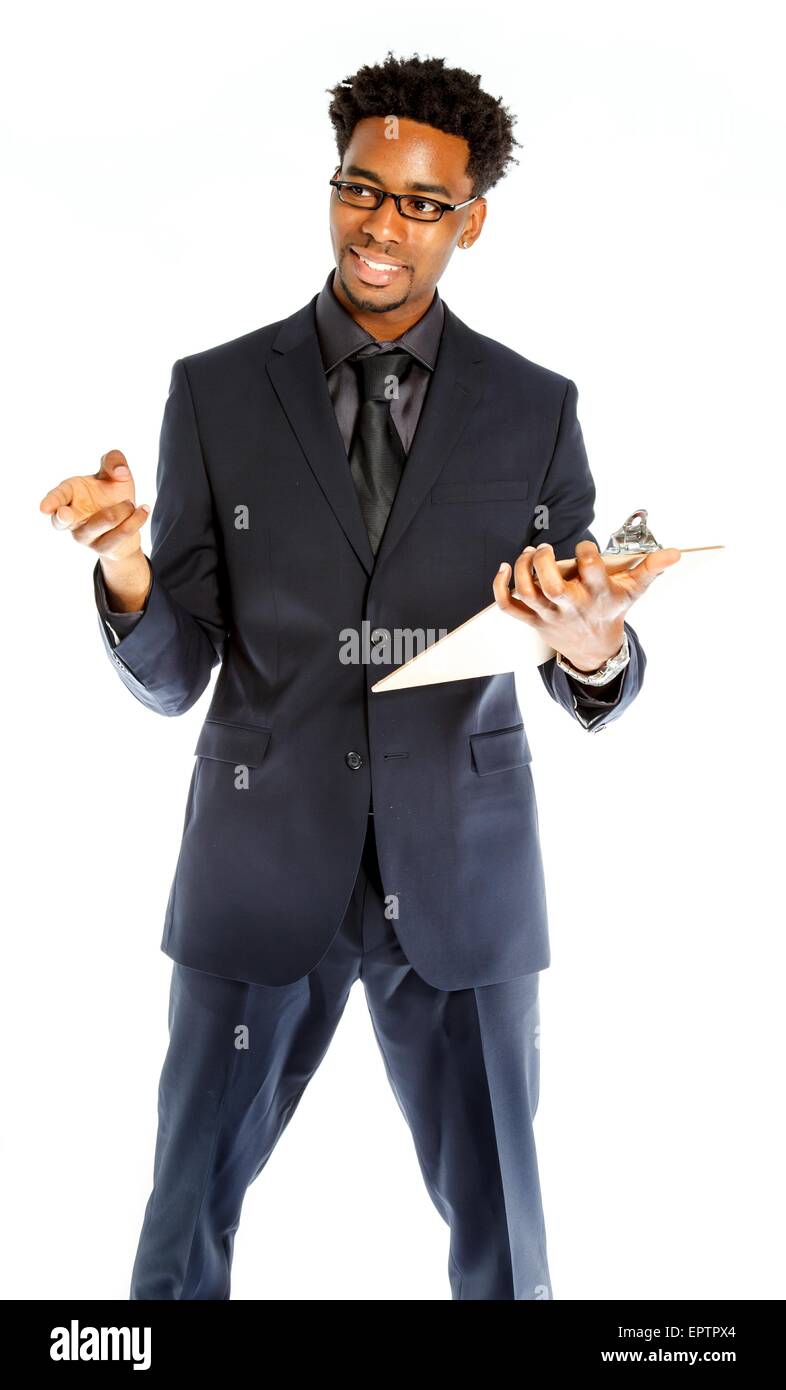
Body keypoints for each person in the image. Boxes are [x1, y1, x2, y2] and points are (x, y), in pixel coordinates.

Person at [39, 51, 680, 1301]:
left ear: (471, 219)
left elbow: (580, 655)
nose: (381, 225)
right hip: (259, 864)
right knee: (183, 1224)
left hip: (464, 874)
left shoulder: (535, 409)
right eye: (359, 188)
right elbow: (177, 676)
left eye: (421, 202)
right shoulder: (217, 393)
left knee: (506, 1237)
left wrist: (593, 635)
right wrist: (124, 564)